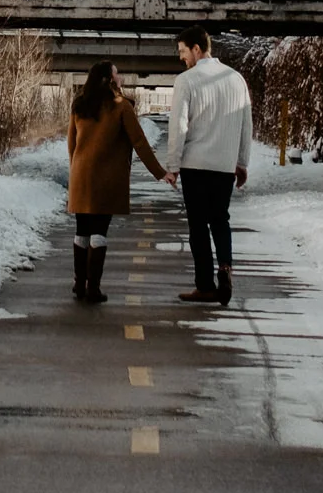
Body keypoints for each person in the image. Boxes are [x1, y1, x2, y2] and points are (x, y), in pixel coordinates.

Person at [65, 60, 170, 305]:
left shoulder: (79, 105)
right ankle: (94, 288)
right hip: (106, 178)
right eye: (117, 74)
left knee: (82, 230)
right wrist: (159, 172)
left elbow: (72, 143)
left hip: (80, 175)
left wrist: (76, 171)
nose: (120, 77)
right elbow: (140, 142)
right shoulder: (120, 106)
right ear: (108, 79)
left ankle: (79, 284)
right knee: (99, 231)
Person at [163, 27, 252, 305]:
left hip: (195, 165)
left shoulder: (187, 81)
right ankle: (225, 268)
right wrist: (241, 162)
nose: (181, 58)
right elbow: (246, 124)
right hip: (224, 165)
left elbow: (178, 126)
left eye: (182, 51)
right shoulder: (236, 79)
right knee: (220, 220)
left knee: (198, 226)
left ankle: (204, 285)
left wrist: (173, 164)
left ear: (197, 49)